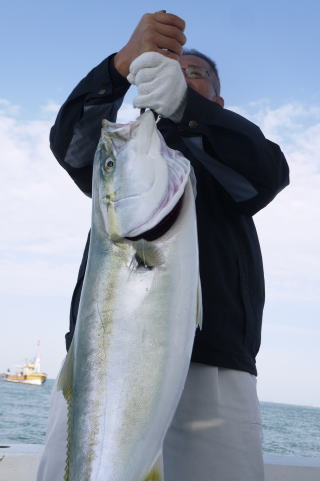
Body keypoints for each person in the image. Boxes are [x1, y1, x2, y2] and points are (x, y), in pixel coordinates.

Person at [47, 11, 289, 481]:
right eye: (170, 69)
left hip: (216, 368)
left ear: (218, 100)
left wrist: (189, 111)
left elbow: (267, 173)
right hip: (101, 369)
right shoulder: (126, 157)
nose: (179, 73)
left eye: (194, 73)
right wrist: (119, 66)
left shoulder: (231, 164)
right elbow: (73, 144)